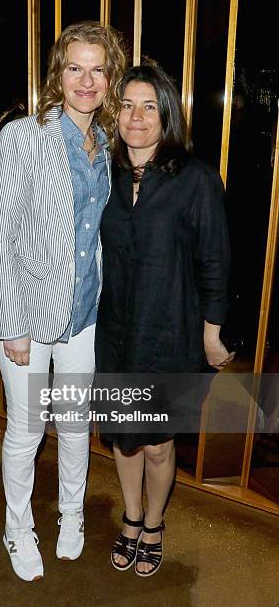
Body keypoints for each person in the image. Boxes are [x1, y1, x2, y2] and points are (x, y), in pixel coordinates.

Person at [0, 21, 126, 582]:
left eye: (97, 69)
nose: (86, 80)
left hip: (84, 314)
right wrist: (14, 324)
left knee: (72, 425)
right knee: (26, 429)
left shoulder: (109, 143)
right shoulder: (25, 135)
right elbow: (2, 233)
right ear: (58, 75)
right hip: (28, 316)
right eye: (75, 68)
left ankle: (72, 515)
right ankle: (16, 528)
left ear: (110, 77)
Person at [95, 63, 234, 577]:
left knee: (156, 441)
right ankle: (130, 518)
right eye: (127, 104)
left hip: (169, 332)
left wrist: (213, 332)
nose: (136, 116)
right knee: (121, 438)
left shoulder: (194, 179)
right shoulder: (102, 175)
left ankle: (153, 524)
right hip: (114, 333)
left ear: (167, 115)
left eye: (149, 106)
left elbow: (215, 260)